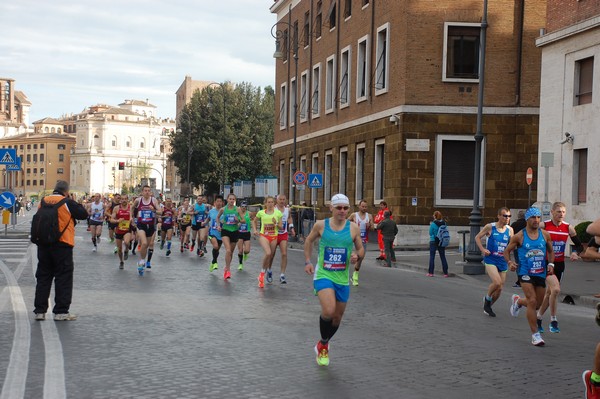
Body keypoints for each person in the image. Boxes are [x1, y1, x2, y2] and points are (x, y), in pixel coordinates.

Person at [304, 194, 364, 366]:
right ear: (331, 208)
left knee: (337, 318)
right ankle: (324, 345)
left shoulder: (353, 228)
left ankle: (322, 343)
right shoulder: (321, 225)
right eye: (339, 208)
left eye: (346, 208)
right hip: (324, 274)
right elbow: (308, 241)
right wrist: (308, 261)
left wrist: (356, 256)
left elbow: (361, 249)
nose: (343, 211)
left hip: (343, 279)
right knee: (329, 311)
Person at [33, 180, 88, 321]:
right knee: (63, 277)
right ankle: (61, 312)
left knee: (43, 277)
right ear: (66, 191)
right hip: (62, 245)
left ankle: (40, 311)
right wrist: (73, 201)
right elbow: (83, 214)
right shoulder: (67, 202)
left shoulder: (43, 201)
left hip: (43, 245)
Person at [504, 207, 554, 346]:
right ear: (527, 219)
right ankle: (535, 335)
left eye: (538, 217)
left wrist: (551, 264)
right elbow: (507, 251)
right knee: (532, 301)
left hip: (540, 273)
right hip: (525, 272)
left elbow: (551, 251)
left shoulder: (545, 235)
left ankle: (518, 302)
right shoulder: (519, 236)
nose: (536, 220)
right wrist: (510, 262)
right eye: (533, 217)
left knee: (537, 305)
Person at [537, 202, 584, 333]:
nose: (561, 214)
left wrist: (575, 252)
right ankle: (553, 320)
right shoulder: (544, 226)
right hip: (546, 263)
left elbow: (579, 246)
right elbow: (529, 232)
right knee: (556, 290)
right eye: (558, 212)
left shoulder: (569, 228)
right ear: (552, 212)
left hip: (560, 264)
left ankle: (539, 317)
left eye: (563, 212)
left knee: (550, 293)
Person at [475, 207, 514, 317]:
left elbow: (511, 246)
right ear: (499, 216)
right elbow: (477, 237)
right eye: (505, 216)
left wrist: (510, 261)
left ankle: (488, 306)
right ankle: (487, 300)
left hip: (502, 261)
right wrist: (483, 250)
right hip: (491, 259)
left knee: (500, 289)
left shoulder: (510, 230)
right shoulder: (490, 227)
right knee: (497, 282)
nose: (507, 218)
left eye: (509, 216)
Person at [253, 196, 283, 288]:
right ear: (265, 203)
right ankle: (262, 274)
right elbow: (254, 221)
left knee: (270, 256)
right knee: (268, 253)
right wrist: (254, 230)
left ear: (274, 203)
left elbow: (281, 227)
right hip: (264, 236)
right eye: (268, 202)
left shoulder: (278, 213)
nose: (270, 204)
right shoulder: (261, 213)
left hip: (274, 236)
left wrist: (276, 223)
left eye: (272, 202)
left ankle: (262, 273)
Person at [132, 185, 161, 275]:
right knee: (144, 243)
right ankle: (141, 262)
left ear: (150, 192)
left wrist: (154, 210)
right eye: (145, 190)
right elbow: (132, 208)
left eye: (149, 190)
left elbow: (160, 211)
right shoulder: (138, 200)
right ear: (142, 192)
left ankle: (142, 260)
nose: (147, 192)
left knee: (147, 245)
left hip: (150, 226)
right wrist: (131, 218)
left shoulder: (154, 201)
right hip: (141, 225)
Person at [267, 194, 295, 284]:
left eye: (284, 199)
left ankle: (282, 275)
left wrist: (292, 228)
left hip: (283, 234)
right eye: (280, 199)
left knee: (284, 254)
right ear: (277, 200)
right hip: (274, 234)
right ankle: (269, 270)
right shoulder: (273, 209)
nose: (282, 201)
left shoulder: (287, 210)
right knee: (271, 254)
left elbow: (289, 219)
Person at [216, 193, 244, 280]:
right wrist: (218, 225)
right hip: (225, 231)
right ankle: (228, 270)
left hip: (234, 231)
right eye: (230, 199)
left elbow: (243, 221)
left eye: (233, 199)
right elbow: (217, 218)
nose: (231, 201)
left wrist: (238, 220)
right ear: (227, 200)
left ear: (234, 200)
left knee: (230, 252)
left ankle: (226, 267)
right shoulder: (223, 209)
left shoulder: (238, 209)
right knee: (228, 250)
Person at [348, 199, 373, 286]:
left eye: (366, 207)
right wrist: (352, 224)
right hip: (354, 240)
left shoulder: (369, 216)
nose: (364, 208)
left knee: (360, 258)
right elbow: (346, 223)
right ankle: (353, 277)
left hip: (363, 240)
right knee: (352, 256)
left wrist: (369, 226)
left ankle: (355, 274)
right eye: (363, 206)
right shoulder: (354, 215)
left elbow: (373, 228)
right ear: (359, 206)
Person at [110, 194, 133, 269]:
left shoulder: (130, 208)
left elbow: (133, 217)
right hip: (119, 230)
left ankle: (126, 250)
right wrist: (117, 220)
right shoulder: (116, 208)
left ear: (127, 200)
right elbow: (111, 219)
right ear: (120, 200)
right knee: (119, 249)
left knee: (126, 242)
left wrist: (132, 220)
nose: (123, 200)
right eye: (122, 199)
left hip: (127, 229)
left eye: (125, 199)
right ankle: (121, 262)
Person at [427, 211, 449, 277]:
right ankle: (445, 273)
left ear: (435, 216)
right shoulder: (444, 223)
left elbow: (430, 233)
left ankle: (431, 273)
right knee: (443, 256)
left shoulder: (433, 224)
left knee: (432, 257)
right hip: (441, 241)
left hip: (433, 241)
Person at [206, 195, 224, 272]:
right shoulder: (211, 211)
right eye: (217, 201)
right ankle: (215, 262)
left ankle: (213, 261)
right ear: (214, 203)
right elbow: (208, 219)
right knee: (215, 246)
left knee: (217, 249)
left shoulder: (224, 212)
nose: (219, 203)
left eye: (220, 201)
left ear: (222, 203)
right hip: (212, 232)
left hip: (220, 234)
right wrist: (204, 223)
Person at [510, 210, 527, 288]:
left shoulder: (514, 224)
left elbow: (511, 236)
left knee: (518, 263)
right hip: (527, 247)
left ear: (518, 216)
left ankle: (520, 280)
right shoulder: (527, 224)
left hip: (517, 247)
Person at [236, 200, 252, 271]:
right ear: (240, 207)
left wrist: (251, 225)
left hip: (247, 233)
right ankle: (240, 264)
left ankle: (245, 254)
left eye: (245, 206)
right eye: (242, 206)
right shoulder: (237, 214)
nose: (244, 208)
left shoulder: (249, 213)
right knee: (240, 250)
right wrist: (237, 224)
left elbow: (253, 220)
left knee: (247, 250)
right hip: (239, 233)